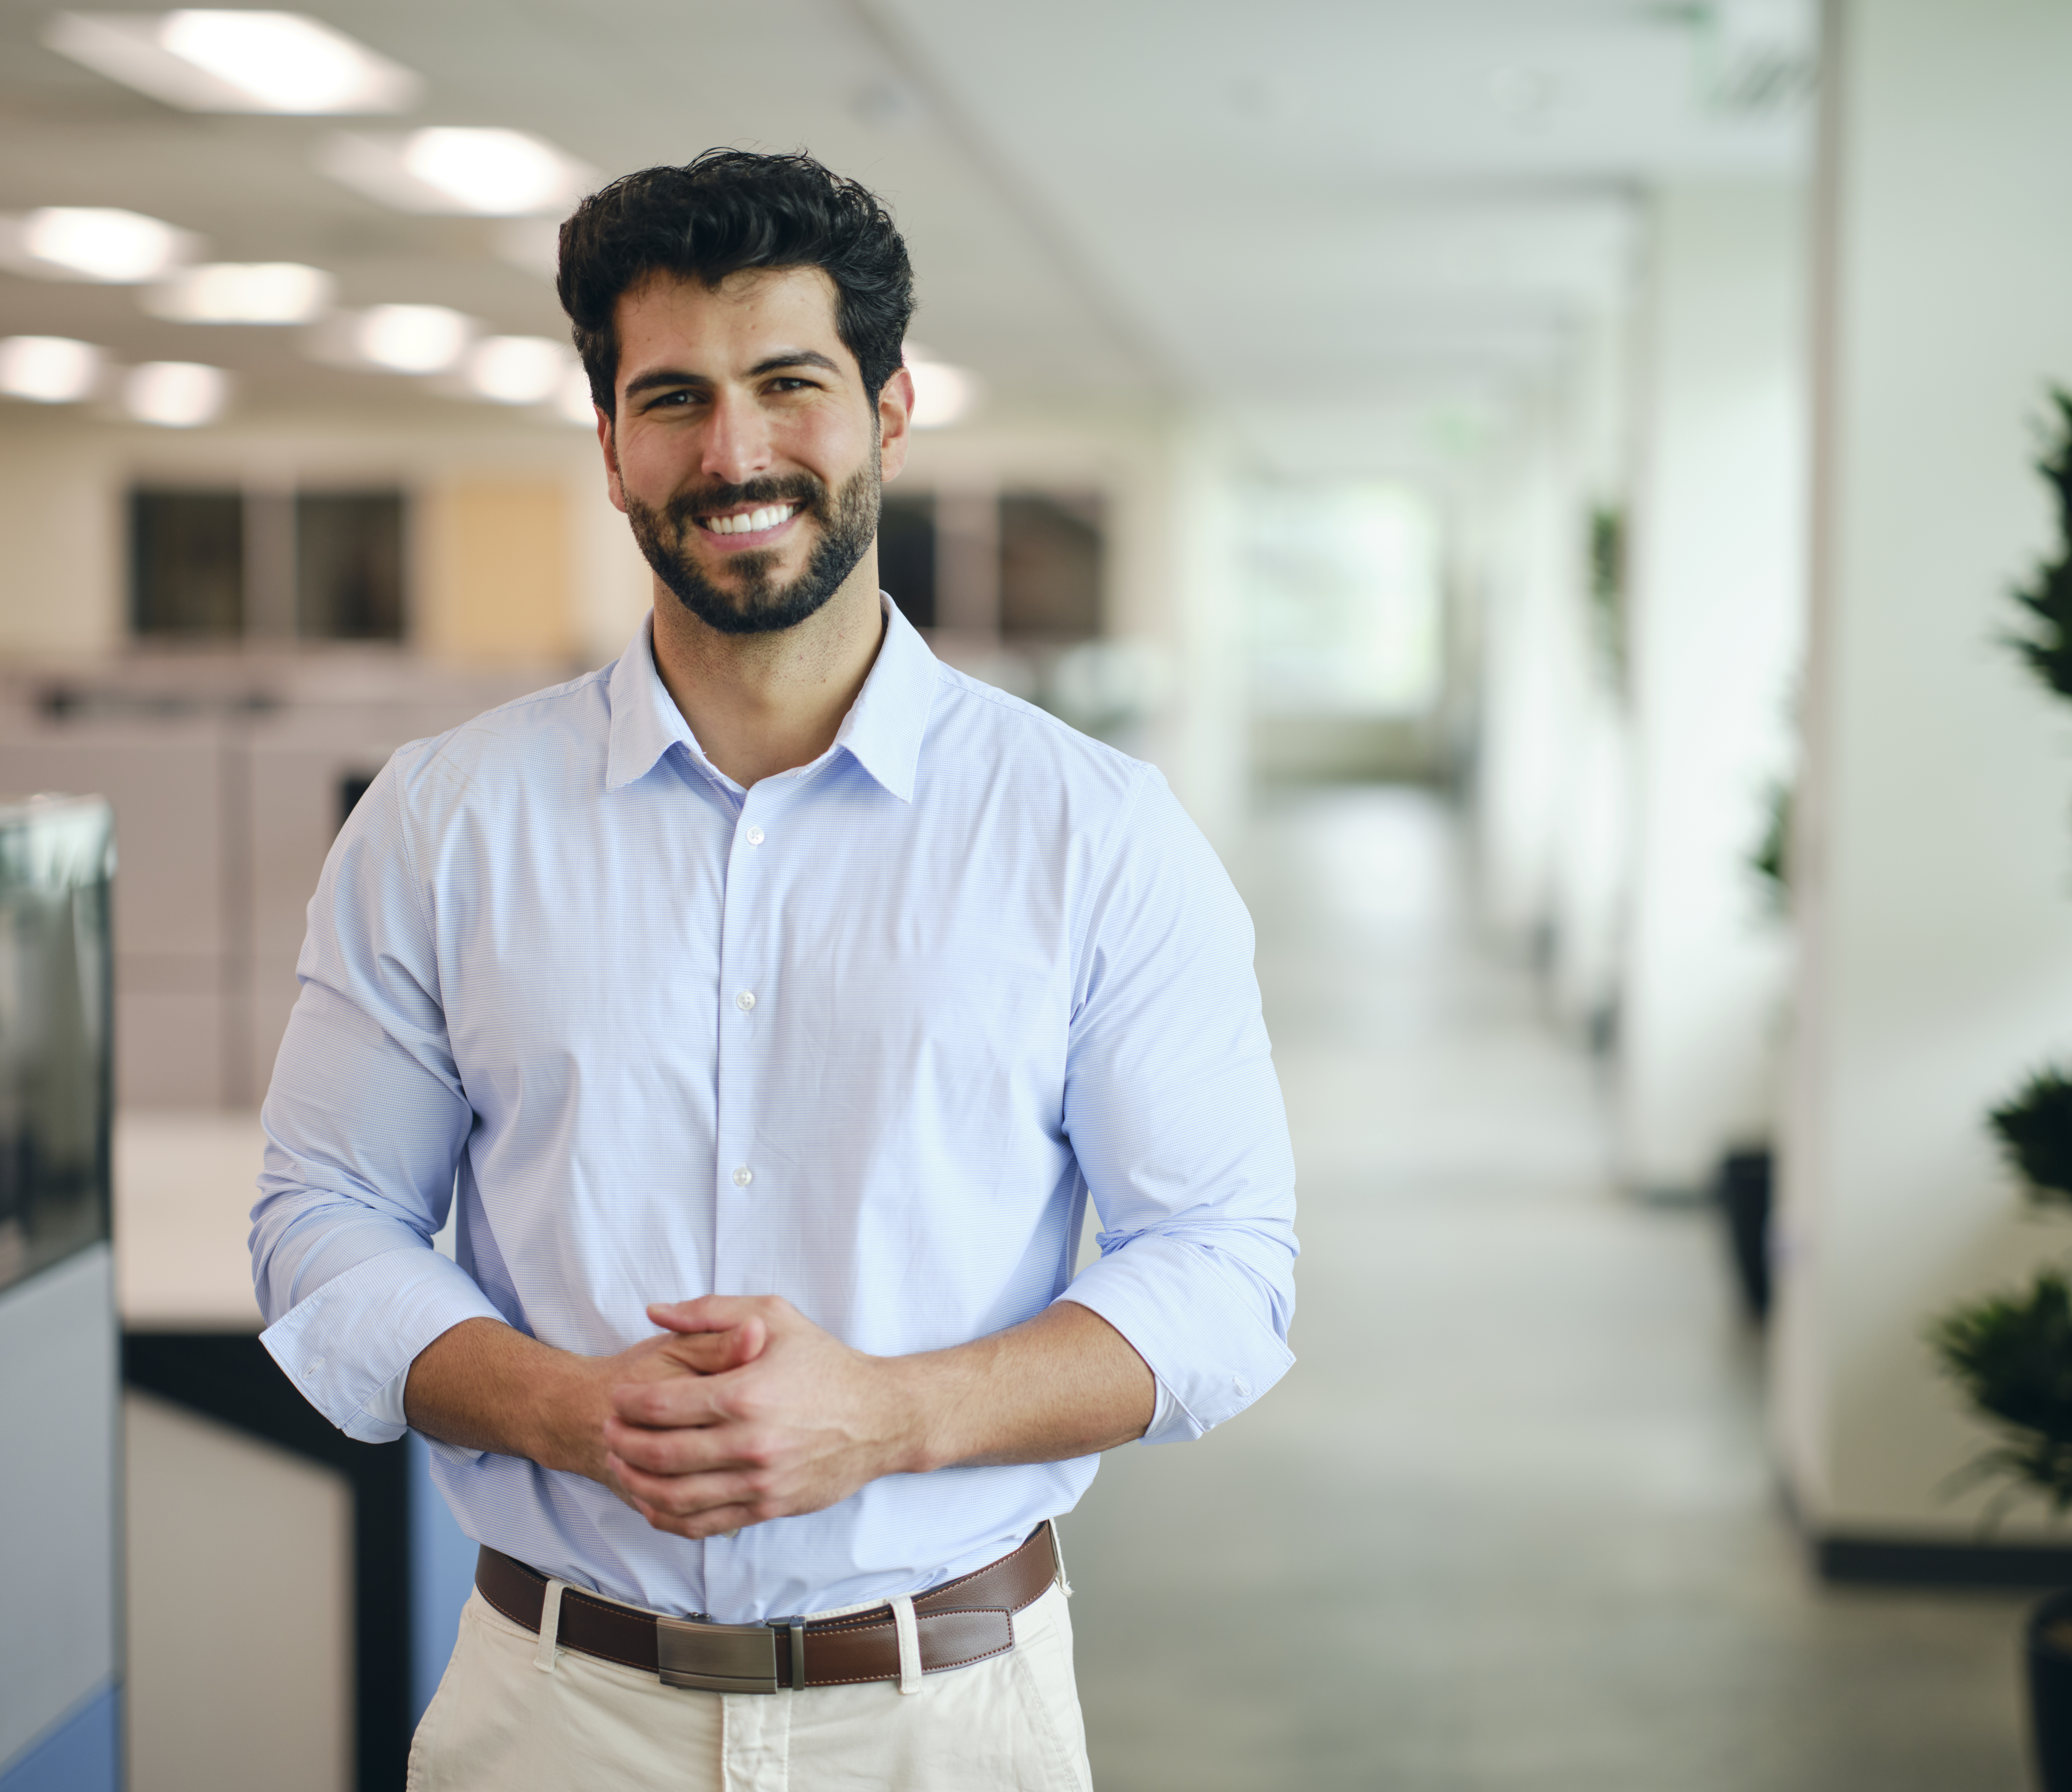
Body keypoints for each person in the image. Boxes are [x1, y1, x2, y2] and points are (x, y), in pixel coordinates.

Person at [250, 147, 1297, 1792]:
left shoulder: (1092, 834)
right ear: (608, 447)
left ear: (887, 411)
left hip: (946, 1719)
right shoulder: (440, 824)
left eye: (788, 386)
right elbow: (319, 1231)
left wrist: (894, 1416)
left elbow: (1227, 1274)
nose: (732, 453)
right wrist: (562, 1408)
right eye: (672, 398)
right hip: (551, 1714)